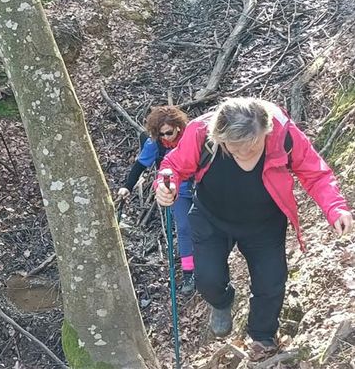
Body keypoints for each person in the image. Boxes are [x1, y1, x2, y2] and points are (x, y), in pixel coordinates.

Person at [155, 97, 353, 359]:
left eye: (253, 145)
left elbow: (315, 172)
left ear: (266, 131)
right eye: (235, 149)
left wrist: (335, 207)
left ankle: (262, 336)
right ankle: (222, 302)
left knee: (271, 283)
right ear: (220, 137)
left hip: (265, 223)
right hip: (211, 217)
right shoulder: (201, 132)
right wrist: (165, 186)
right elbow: (174, 166)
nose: (246, 154)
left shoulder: (282, 131)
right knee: (208, 280)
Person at [117, 106, 195, 294]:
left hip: (201, 186)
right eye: (161, 134)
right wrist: (127, 186)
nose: (166, 137)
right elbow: (140, 165)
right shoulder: (155, 144)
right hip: (176, 192)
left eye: (169, 132)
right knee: (184, 228)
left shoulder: (191, 136)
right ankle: (188, 273)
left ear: (178, 126)